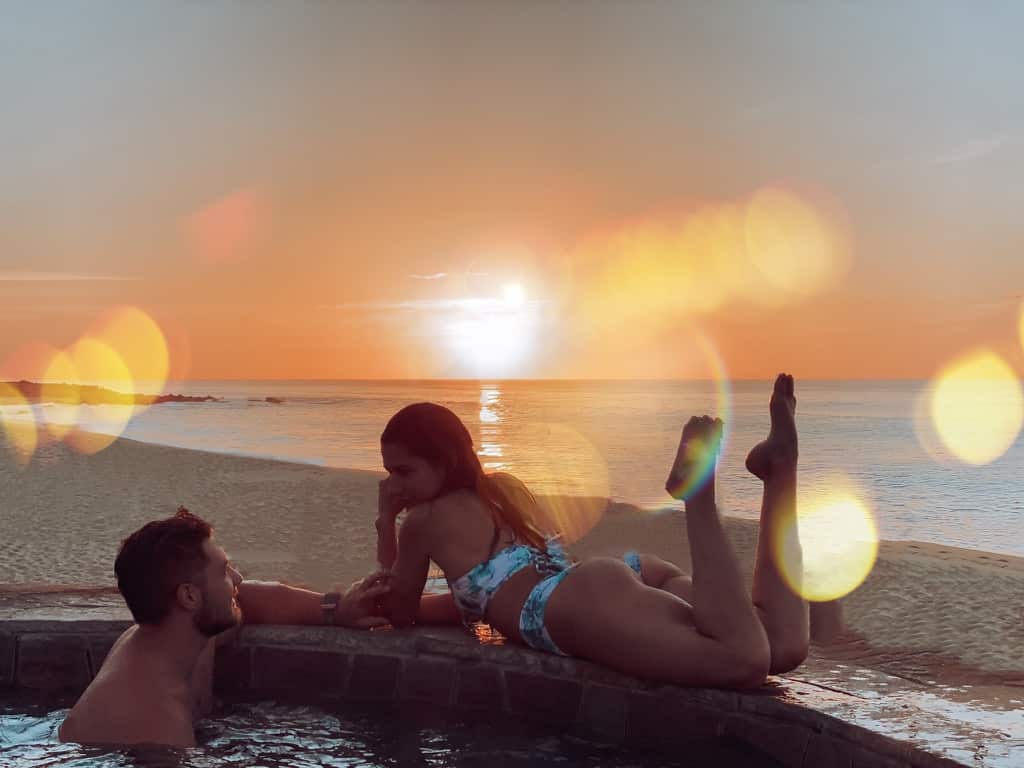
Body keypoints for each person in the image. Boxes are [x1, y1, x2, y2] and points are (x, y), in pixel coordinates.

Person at [375, 374, 809, 689]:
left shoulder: (423, 522)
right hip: (618, 577)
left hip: (570, 605)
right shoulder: (503, 490)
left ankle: (697, 495)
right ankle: (780, 470)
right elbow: (471, 599)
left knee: (741, 658)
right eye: (389, 474)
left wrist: (385, 524)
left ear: (445, 460)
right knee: (783, 644)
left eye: (403, 471)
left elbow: (399, 611)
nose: (395, 485)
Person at [58, 508, 390, 748]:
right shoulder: (156, 726)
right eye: (225, 570)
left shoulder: (179, 634)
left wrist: (335, 610)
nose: (238, 579)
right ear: (189, 595)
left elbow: (251, 599)